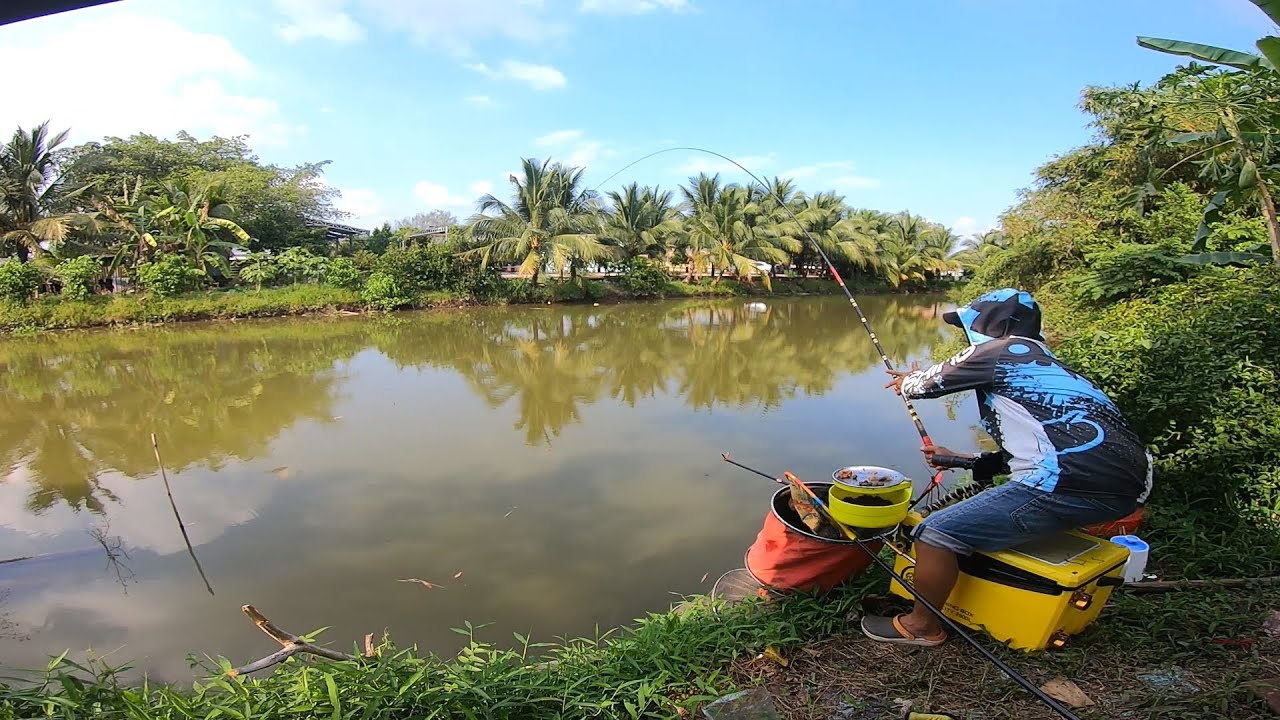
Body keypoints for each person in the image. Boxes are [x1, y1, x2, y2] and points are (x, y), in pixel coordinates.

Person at [861, 288, 1153, 647]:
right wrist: (957, 461)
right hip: (1123, 491)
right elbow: (1049, 444)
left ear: (988, 325)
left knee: (936, 532)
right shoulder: (1050, 369)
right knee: (976, 521)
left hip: (1066, 483)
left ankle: (922, 626)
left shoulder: (1001, 350)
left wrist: (909, 381)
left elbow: (923, 385)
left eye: (968, 326)